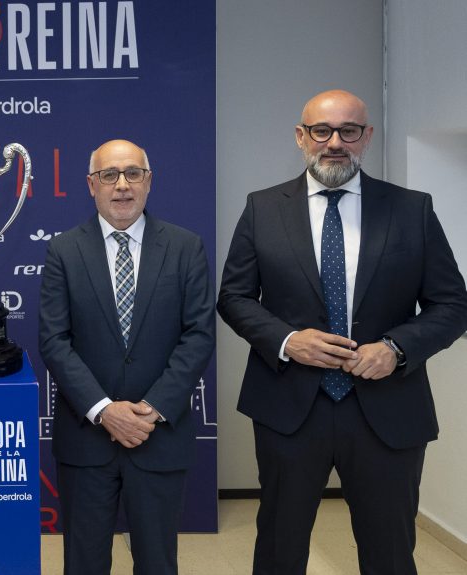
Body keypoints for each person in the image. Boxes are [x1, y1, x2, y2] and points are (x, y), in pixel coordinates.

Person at [218, 89, 467, 574]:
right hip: (289, 408)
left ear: (366, 137)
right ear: (301, 136)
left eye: (348, 131)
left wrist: (396, 348)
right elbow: (233, 297)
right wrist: (289, 340)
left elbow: (453, 304)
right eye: (321, 131)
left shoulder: (411, 209)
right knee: (278, 548)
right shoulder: (262, 208)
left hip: (388, 408)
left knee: (390, 552)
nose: (335, 142)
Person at [39, 139, 215, 574]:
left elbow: (198, 336)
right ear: (90, 185)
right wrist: (104, 411)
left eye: (133, 173)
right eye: (109, 175)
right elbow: (54, 341)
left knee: (157, 562)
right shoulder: (64, 250)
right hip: (87, 438)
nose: (122, 185)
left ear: (149, 182)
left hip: (159, 436)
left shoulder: (184, 246)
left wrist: (151, 410)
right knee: (85, 562)